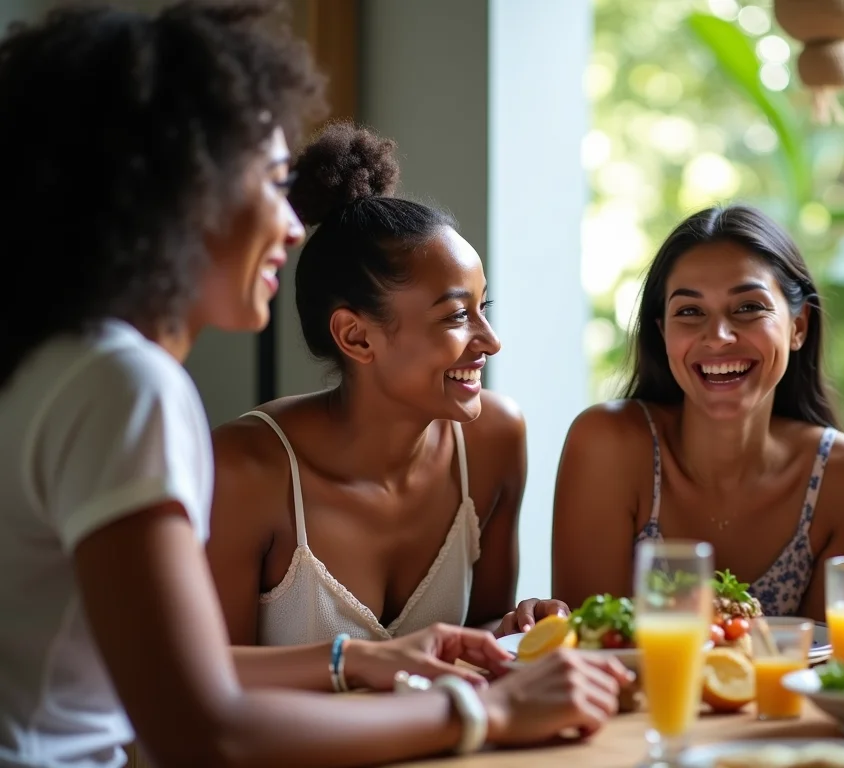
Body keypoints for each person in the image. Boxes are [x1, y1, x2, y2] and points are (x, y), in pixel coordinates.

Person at [0, 4, 627, 767]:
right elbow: (205, 731)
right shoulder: (125, 387)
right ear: (177, 194)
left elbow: (173, 676)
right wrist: (484, 715)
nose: (294, 227)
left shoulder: (53, 359)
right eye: (269, 181)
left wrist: (358, 658)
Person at [206, 121, 565, 692]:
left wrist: (515, 627)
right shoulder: (246, 470)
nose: (490, 340)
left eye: (483, 306)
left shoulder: (495, 439)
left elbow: (476, 640)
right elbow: (206, 694)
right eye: (455, 316)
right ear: (356, 337)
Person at [552, 205, 844, 620]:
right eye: (690, 312)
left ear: (798, 326)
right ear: (663, 333)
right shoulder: (607, 445)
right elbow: (586, 646)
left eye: (748, 308)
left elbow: (824, 665)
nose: (718, 337)